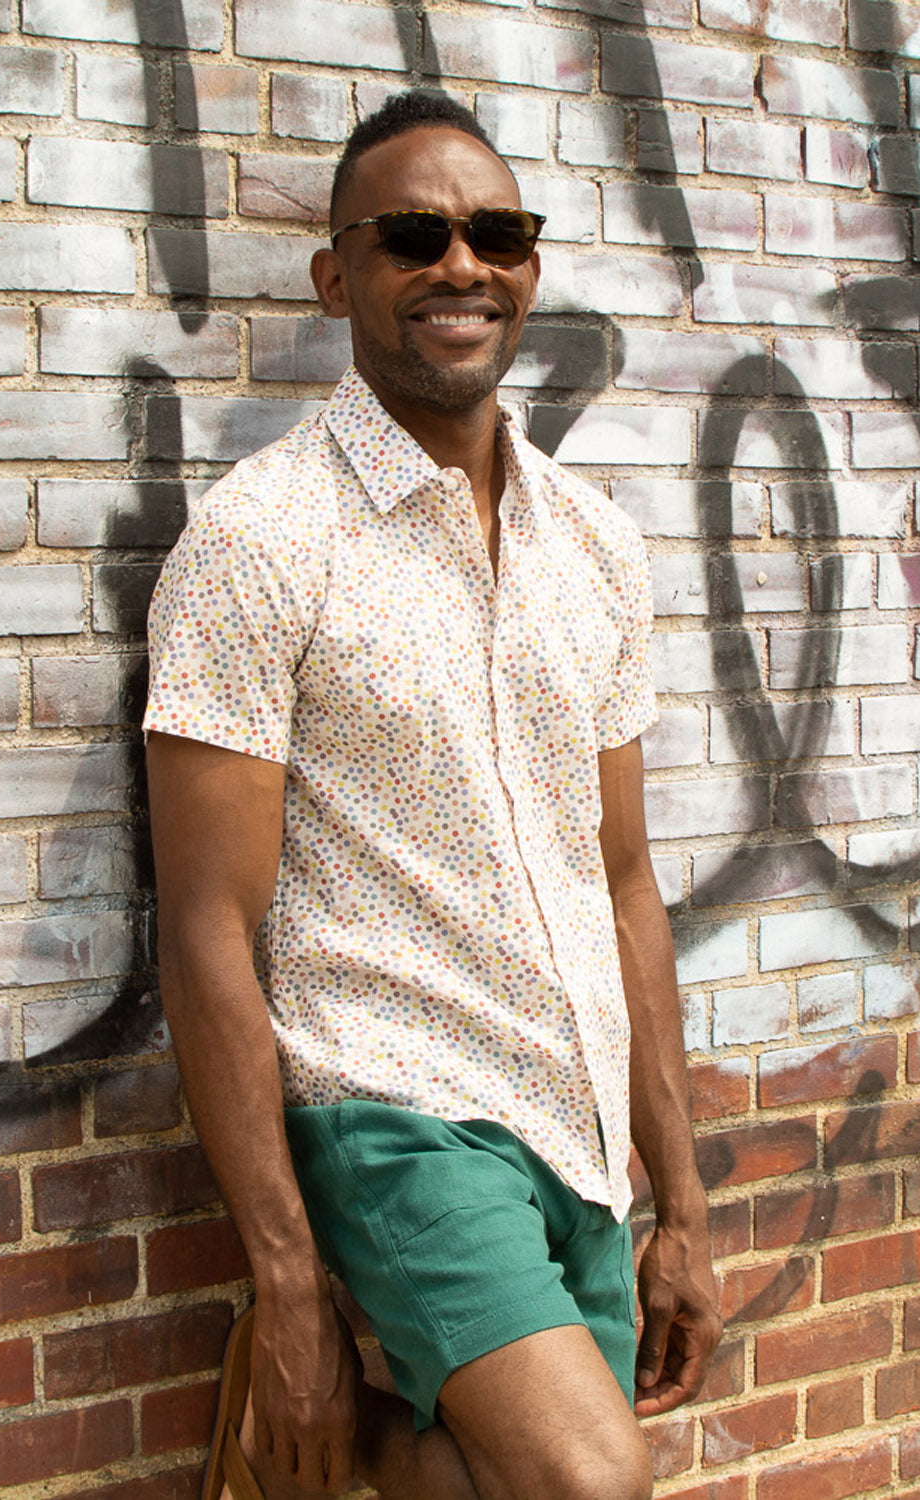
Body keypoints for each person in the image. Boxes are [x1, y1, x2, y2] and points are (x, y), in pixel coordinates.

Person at [144, 89, 721, 1500]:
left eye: (496, 234)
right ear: (337, 275)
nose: (461, 266)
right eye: (413, 237)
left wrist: (683, 1204)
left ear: (528, 264)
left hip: (576, 1138)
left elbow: (625, 880)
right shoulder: (261, 542)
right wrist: (287, 1281)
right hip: (396, 1116)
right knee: (592, 1483)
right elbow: (206, 927)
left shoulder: (591, 544)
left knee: (474, 1482)